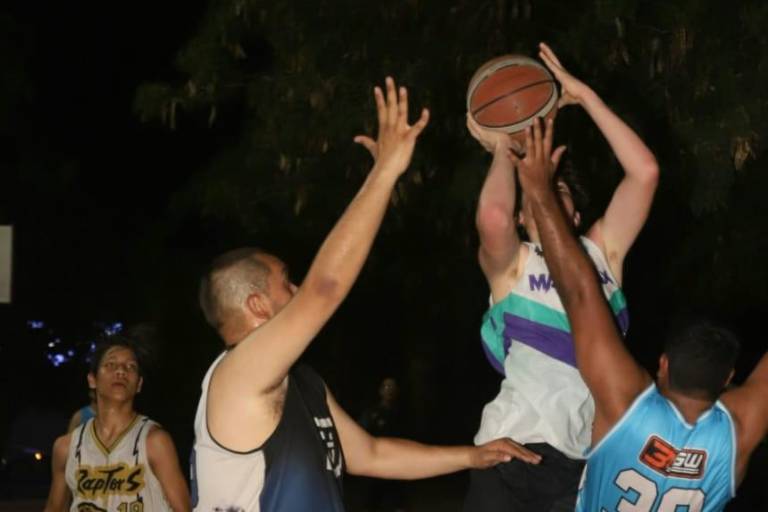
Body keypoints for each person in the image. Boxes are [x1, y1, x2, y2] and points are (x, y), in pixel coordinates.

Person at [191, 77, 527, 512]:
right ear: (256, 304)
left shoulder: (304, 383)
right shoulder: (236, 377)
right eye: (286, 281)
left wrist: (471, 456)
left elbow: (370, 454)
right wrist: (385, 171)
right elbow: (323, 290)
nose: (297, 289)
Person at [514, 114, 768, 511]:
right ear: (727, 379)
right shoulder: (740, 432)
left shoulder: (626, 403)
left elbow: (579, 292)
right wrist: (541, 192)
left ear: (662, 364)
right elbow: (580, 293)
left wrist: (538, 190)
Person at [464, 42, 660, 511]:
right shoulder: (515, 265)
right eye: (538, 189)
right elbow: (492, 218)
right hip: (509, 448)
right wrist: (503, 148)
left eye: (561, 188)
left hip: (580, 461)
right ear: (522, 217)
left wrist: (586, 97)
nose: (547, 190)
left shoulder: (600, 256)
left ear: (574, 216)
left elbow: (645, 172)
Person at [44, 335, 191, 512]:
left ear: (139, 384)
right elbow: (54, 507)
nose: (121, 371)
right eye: (111, 365)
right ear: (92, 379)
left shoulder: (155, 441)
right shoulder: (66, 447)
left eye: (130, 367)